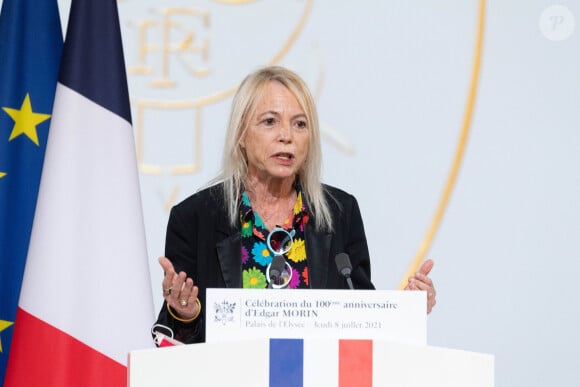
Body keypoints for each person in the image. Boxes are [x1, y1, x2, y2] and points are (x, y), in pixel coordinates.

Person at [153, 66, 436, 344]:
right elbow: (178, 342)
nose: (286, 135)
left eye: (300, 124)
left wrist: (405, 312)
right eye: (269, 122)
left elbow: (359, 320)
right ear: (240, 134)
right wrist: (186, 315)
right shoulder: (194, 218)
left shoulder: (340, 214)